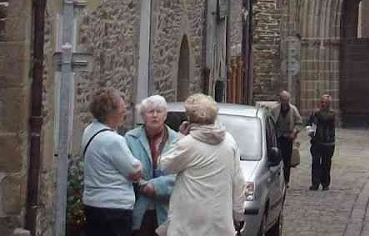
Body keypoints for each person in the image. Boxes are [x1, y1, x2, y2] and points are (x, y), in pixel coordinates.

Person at [159, 93, 246, 236]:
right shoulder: (229, 142)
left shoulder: (188, 144)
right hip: (220, 222)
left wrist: (180, 136)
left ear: (190, 119)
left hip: (188, 222)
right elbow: (238, 181)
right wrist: (238, 214)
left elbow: (165, 164)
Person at [82, 88, 144, 236]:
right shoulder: (113, 140)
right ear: (112, 112)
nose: (125, 112)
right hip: (114, 208)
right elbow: (134, 171)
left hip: (92, 202)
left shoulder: (89, 130)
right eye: (122, 108)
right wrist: (139, 165)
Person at [125, 95, 181, 236]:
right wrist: (143, 185)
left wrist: (156, 186)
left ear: (165, 115)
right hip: (140, 209)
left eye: (159, 111)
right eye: (150, 112)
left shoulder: (179, 141)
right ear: (143, 116)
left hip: (168, 211)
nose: (155, 115)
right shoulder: (130, 139)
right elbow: (126, 170)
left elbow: (181, 175)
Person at [269, 90, 301, 188]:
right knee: (277, 159)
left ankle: (286, 181)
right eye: (283, 100)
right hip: (277, 138)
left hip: (288, 138)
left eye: (287, 100)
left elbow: (299, 122)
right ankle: (277, 180)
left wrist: (294, 132)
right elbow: (270, 122)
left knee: (287, 161)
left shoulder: (293, 110)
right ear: (280, 100)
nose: (285, 102)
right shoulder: (274, 110)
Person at [306, 93, 337, 191]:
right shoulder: (316, 113)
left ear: (329, 104)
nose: (323, 104)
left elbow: (325, 118)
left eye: (325, 102)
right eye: (322, 102)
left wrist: (316, 113)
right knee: (315, 163)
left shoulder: (331, 114)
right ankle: (315, 183)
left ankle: (325, 183)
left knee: (326, 164)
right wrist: (310, 131)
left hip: (328, 143)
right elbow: (309, 123)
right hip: (317, 142)